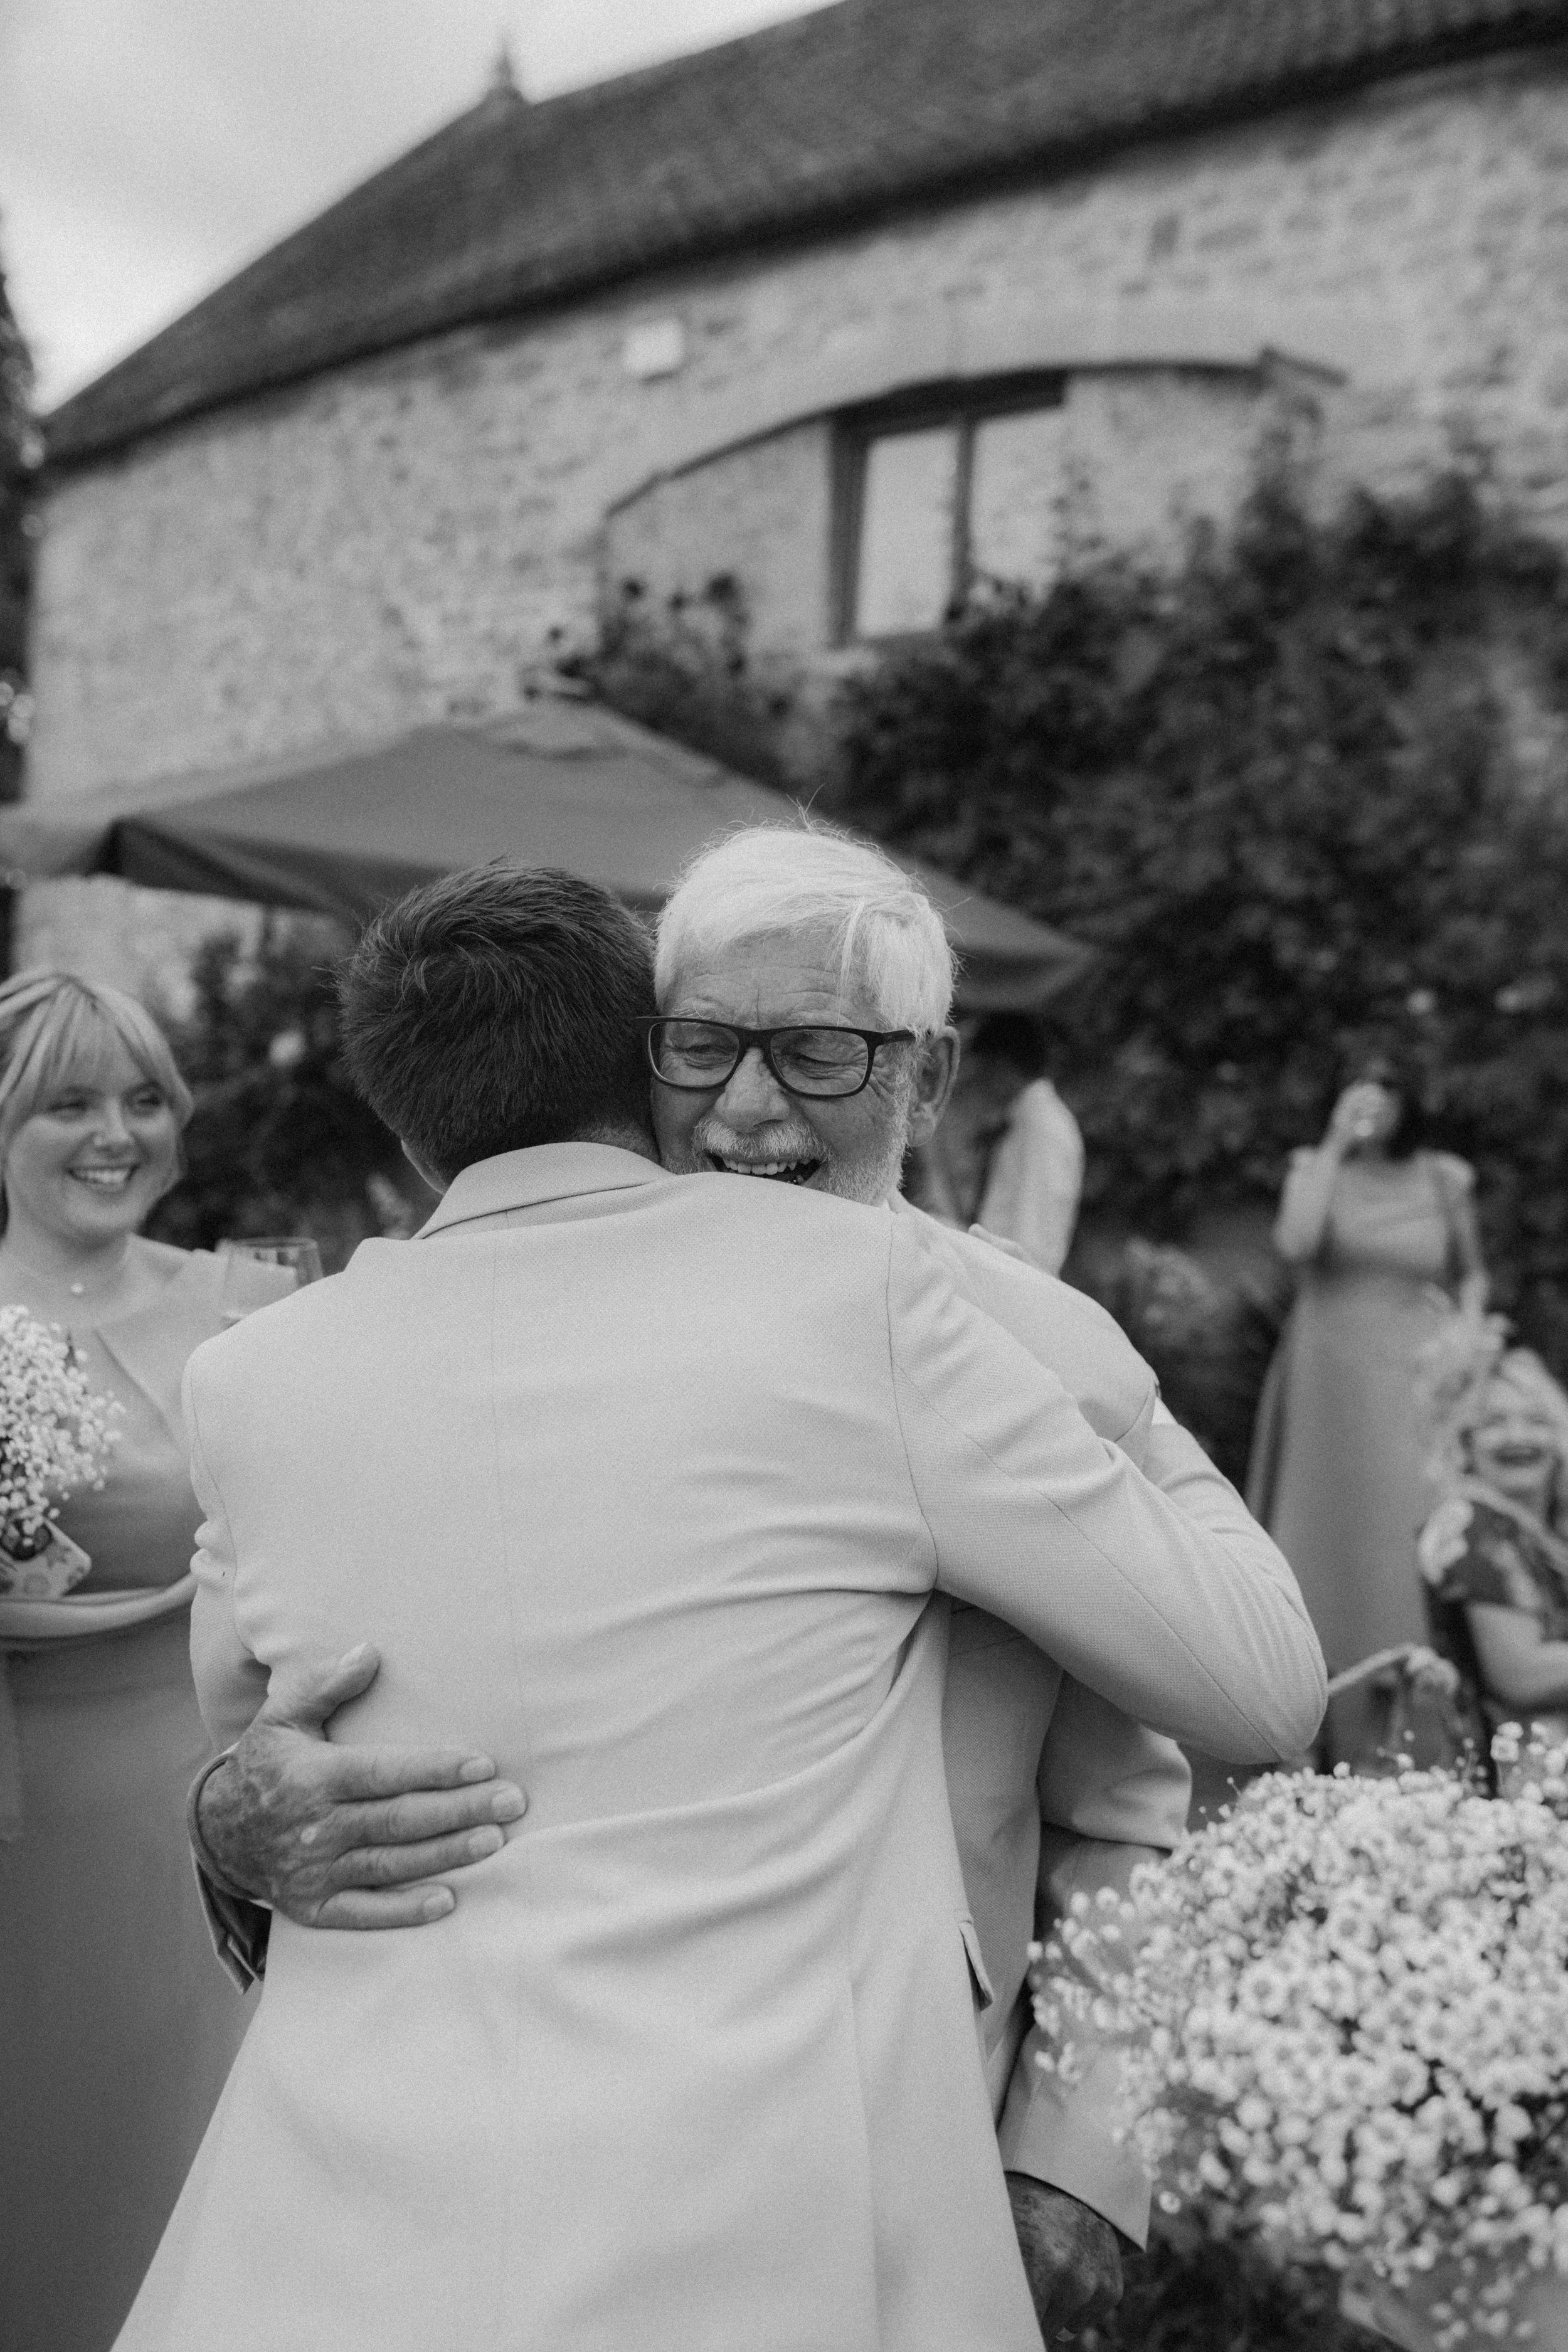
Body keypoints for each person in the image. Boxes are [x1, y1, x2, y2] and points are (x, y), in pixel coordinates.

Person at [119, 865, 1324, 2352]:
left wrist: (1074, 2161)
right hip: (457, 2195)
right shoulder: (346, 1360)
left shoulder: (1021, 1340)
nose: (750, 1107)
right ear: (635, 1055)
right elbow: (264, 1735)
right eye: (703, 1046)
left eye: (817, 1052)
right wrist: (225, 1820)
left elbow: (1137, 1793)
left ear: (928, 1078)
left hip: (871, 2148)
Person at [0, 971, 291, 2352]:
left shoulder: (254, 1298)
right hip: (29, 1796)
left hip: (202, 1794)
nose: (116, 1134)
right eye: (69, 1103)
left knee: (194, 2151)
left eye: (143, 1100)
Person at [1246, 1051, 1487, 1747]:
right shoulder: (1314, 1169)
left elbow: (1471, 1273)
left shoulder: (1443, 1178)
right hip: (1329, 1381)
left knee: (1407, 1527)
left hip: (1414, 1377)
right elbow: (1296, 1243)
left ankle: (1424, 1713)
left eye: (1385, 1087)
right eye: (1357, 1085)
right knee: (1323, 1533)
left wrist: (1468, 1333)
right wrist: (1332, 1144)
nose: (1371, 1099)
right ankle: (1310, 1715)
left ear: (1407, 1101)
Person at [1417, 1315, 1568, 1766]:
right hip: (1516, 1775)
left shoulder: (1541, 1533)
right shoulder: (1470, 1525)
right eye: (1495, 1422)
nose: (1518, 1437)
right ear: (1464, 1442)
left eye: (1536, 1421)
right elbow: (1520, 1674)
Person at [912, 1012, 1084, 1276]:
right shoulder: (1022, 1116)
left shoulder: (1042, 1126)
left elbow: (1031, 1245)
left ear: (995, 1065)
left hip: (1012, 1280)